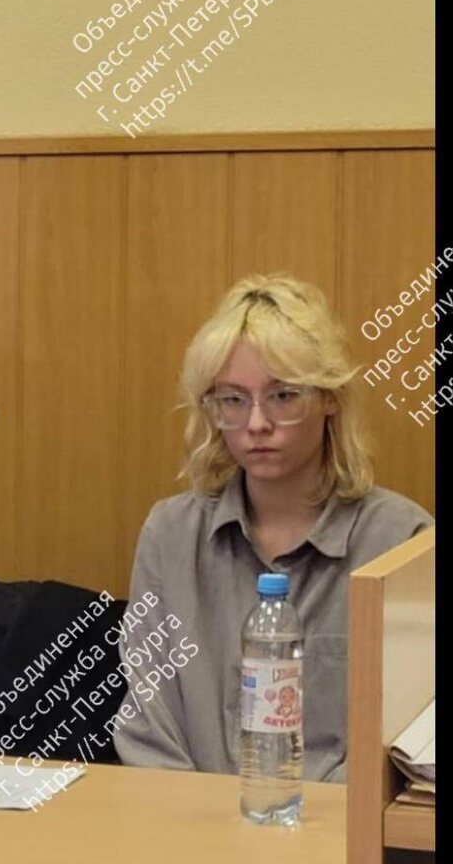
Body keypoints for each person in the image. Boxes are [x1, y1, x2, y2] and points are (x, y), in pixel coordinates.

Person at [112, 274, 432, 782]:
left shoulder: (402, 541)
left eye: (283, 396)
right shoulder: (171, 534)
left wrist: (296, 821)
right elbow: (148, 726)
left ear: (330, 399)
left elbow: (399, 744)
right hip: (182, 818)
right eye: (233, 400)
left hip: (337, 825)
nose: (257, 423)